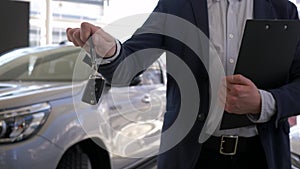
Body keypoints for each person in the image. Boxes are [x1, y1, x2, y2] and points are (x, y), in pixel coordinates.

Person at [66, 0, 300, 168]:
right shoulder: (175, 6)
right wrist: (110, 52)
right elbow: (126, 68)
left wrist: (263, 102)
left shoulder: (283, 9)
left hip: (262, 155)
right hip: (191, 155)